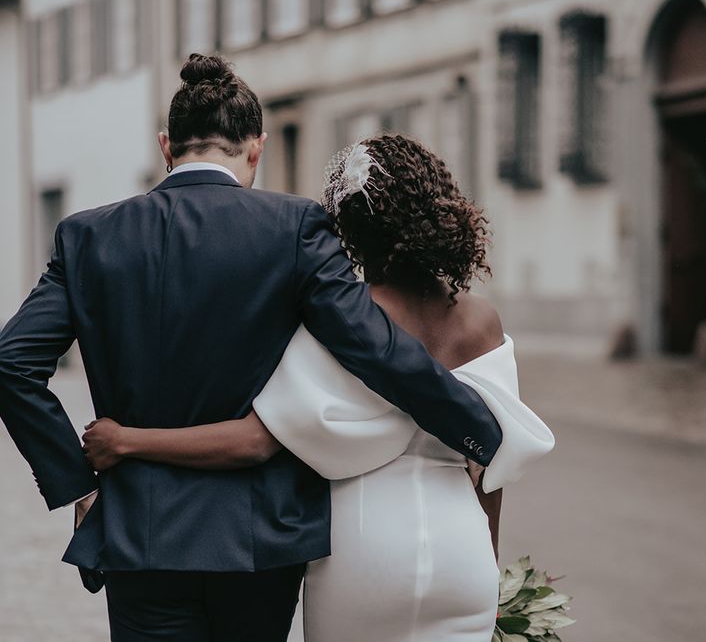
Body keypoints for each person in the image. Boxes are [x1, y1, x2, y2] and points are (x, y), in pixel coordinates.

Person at [0, 55, 508, 642]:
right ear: (257, 147)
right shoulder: (296, 227)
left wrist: (76, 484)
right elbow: (375, 349)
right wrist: (481, 430)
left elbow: (12, 364)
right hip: (261, 539)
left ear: (167, 147)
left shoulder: (87, 236)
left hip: (141, 534)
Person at [81, 134, 556, 641]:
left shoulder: (343, 322)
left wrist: (127, 440)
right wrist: (489, 561)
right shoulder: (482, 321)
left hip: (365, 550)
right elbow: (491, 470)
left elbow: (254, 441)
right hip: (462, 552)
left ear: (347, 230)